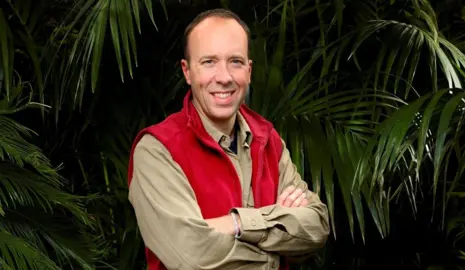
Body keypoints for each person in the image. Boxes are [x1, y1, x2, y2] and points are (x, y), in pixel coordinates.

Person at [127, 8, 330, 270]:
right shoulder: (158, 149)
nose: (224, 77)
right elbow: (191, 258)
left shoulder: (268, 139)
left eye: (235, 61)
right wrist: (276, 250)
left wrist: (237, 224)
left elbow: (317, 225)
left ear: (249, 70)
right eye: (209, 62)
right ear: (187, 72)